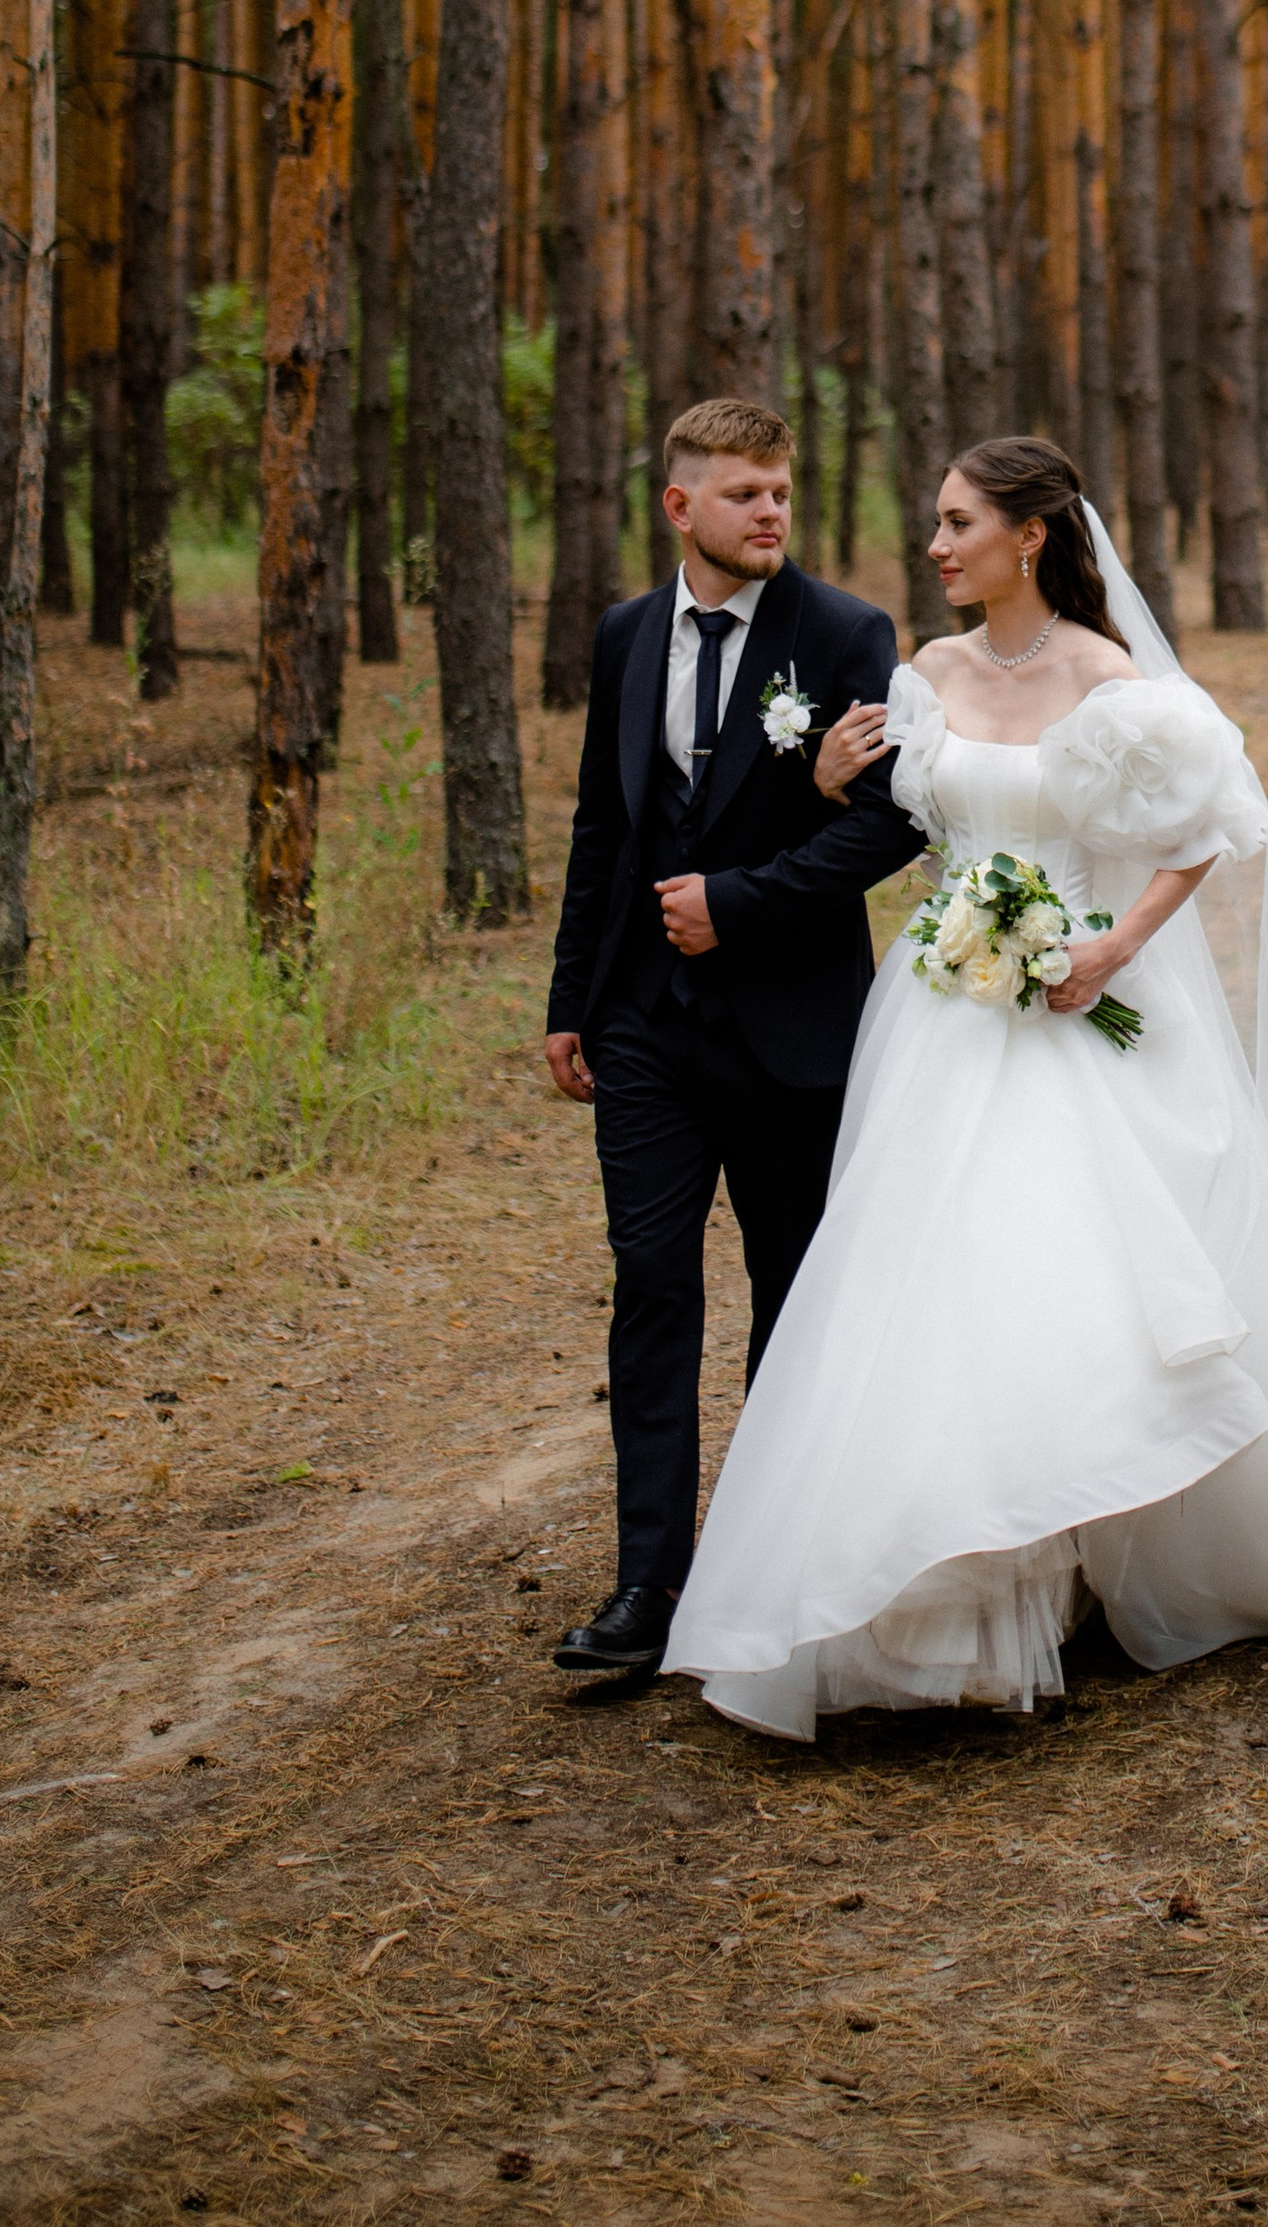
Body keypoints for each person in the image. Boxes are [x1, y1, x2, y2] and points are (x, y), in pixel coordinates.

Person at [658, 434, 1268, 1739]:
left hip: (1068, 1010)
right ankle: (946, 1598)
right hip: (944, 1015)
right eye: (935, 524)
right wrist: (837, 776)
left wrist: (1109, 944)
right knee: (931, 1281)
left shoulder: (1109, 678)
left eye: (957, 523)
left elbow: (1209, 830)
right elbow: (915, 820)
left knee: (1067, 1277)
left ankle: (1086, 1555)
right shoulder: (930, 673)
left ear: (1032, 538)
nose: (936, 546)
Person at [541, 398, 923, 1685]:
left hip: (790, 1029)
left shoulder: (848, 633)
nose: (771, 512)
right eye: (745, 493)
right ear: (680, 507)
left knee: (789, 1298)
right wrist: (569, 1000)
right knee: (650, 1283)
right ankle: (648, 1581)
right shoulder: (625, 634)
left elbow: (889, 826)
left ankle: (776, 1568)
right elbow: (608, 822)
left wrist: (739, 903)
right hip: (644, 1024)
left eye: (781, 491)